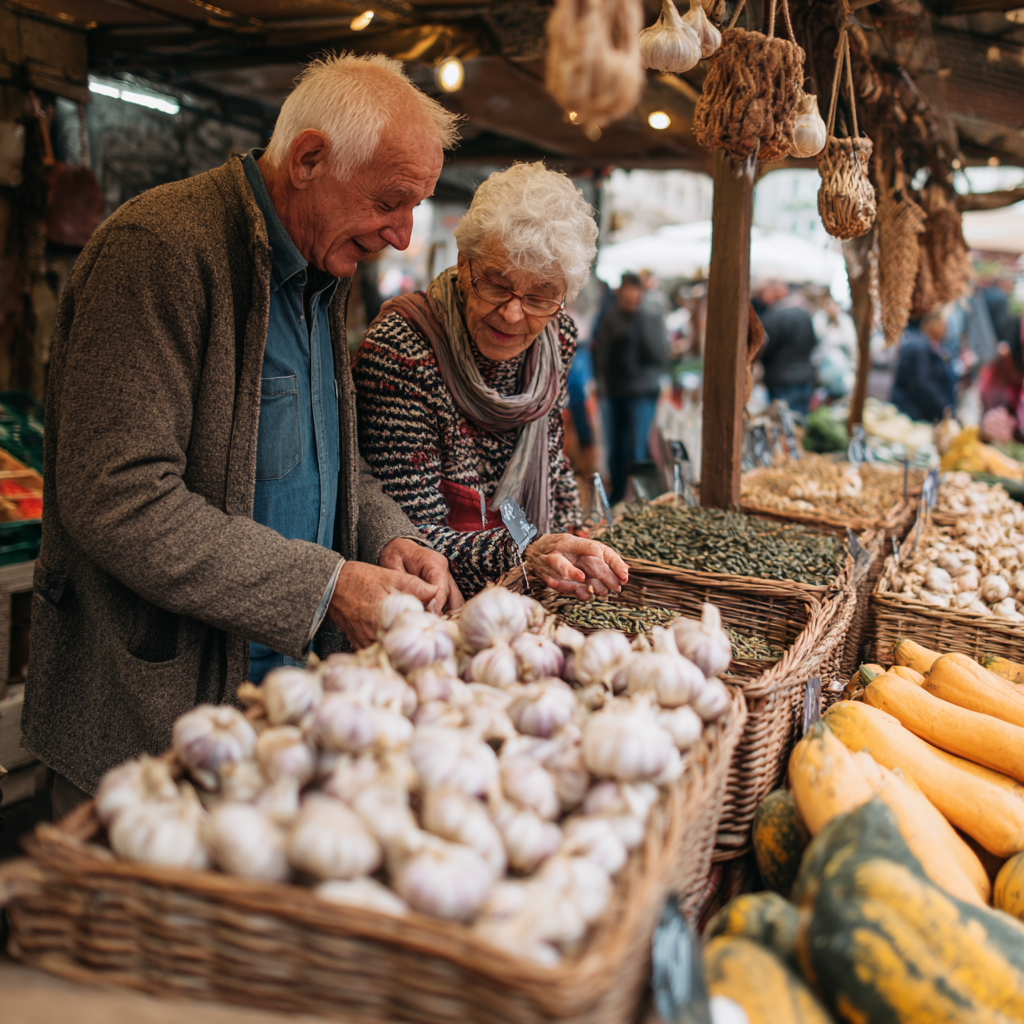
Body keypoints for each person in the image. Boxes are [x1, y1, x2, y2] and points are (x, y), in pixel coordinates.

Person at [24, 55, 463, 814]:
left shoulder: (323, 273)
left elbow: (330, 452)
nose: (403, 237)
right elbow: (118, 497)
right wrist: (326, 588)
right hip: (154, 731)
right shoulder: (159, 251)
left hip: (279, 708)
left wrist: (386, 534)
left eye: (417, 206)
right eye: (393, 201)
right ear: (309, 160)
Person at [353, 162, 628, 601]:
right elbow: (410, 539)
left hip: (533, 591)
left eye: (539, 297)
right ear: (464, 264)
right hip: (442, 610)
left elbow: (555, 470)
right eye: (497, 286)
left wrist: (580, 542)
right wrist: (528, 552)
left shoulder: (556, 340)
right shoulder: (403, 350)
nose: (514, 314)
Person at [593, 272, 669, 504]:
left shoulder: (650, 319)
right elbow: (600, 355)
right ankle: (617, 495)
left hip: (642, 392)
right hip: (615, 392)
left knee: (636, 446)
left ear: (640, 294)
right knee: (616, 447)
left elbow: (660, 355)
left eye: (634, 291)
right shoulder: (610, 319)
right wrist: (600, 384)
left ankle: (638, 497)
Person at [755, 280, 818, 415]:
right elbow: (814, 343)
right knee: (799, 426)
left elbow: (764, 349)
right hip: (805, 378)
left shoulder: (774, 316)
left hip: (782, 381)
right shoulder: (804, 313)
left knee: (785, 428)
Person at [891, 309, 957, 423]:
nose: (946, 328)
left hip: (912, 411)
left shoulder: (926, 346)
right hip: (914, 413)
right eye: (944, 323)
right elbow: (923, 382)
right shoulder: (921, 348)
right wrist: (943, 406)